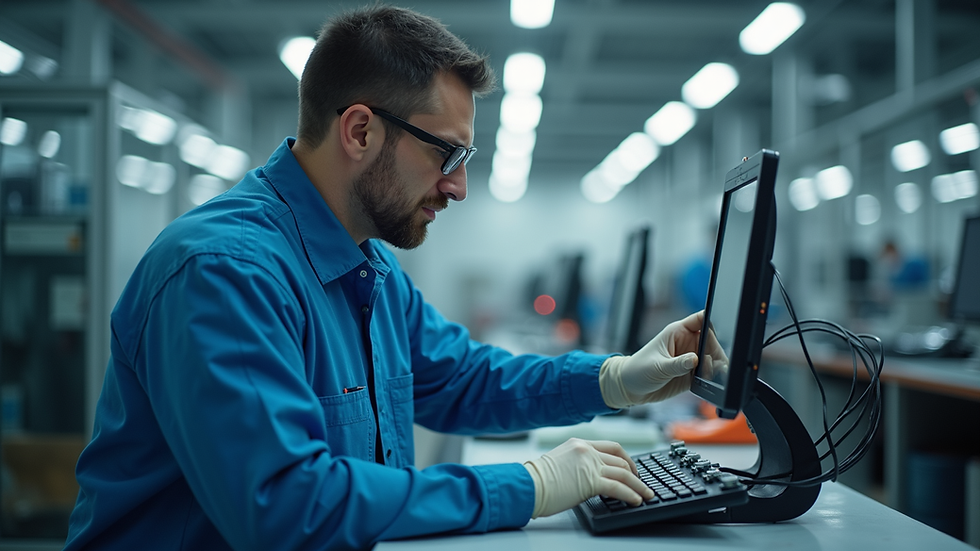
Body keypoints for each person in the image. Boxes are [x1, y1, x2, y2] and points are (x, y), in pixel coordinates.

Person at [64, 4, 705, 550]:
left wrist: (616, 379)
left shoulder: (368, 264)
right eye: (445, 153)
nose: (457, 185)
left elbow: (460, 379)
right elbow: (286, 508)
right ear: (361, 130)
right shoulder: (225, 272)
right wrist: (529, 484)